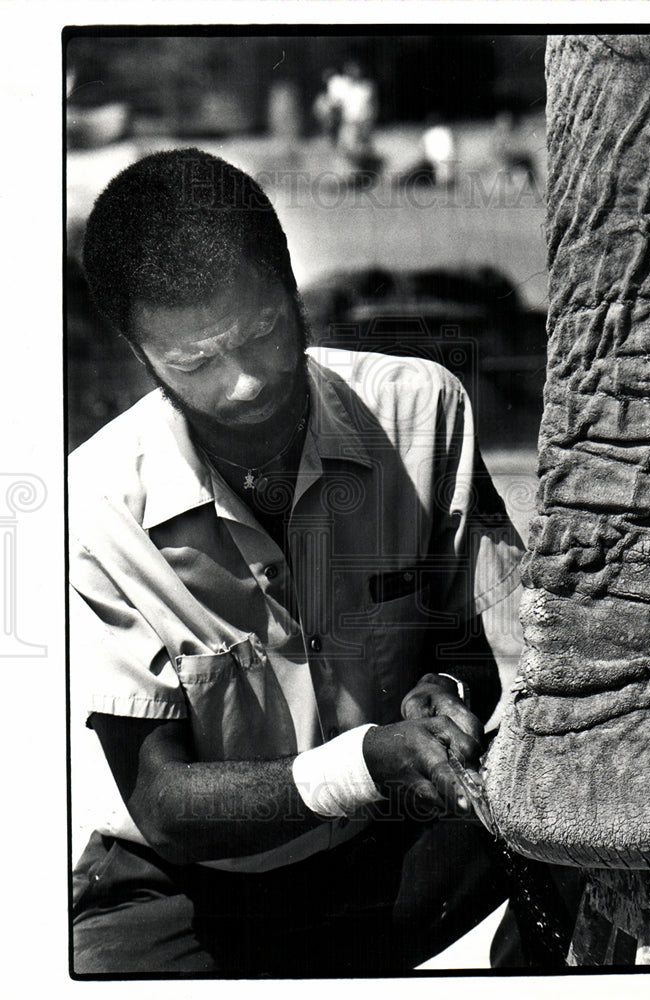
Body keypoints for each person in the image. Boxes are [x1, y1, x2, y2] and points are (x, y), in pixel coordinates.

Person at [69, 148, 528, 976]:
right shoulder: (95, 508)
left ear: (296, 293)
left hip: (389, 850)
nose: (245, 384)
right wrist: (366, 762)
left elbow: (476, 644)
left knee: (585, 827)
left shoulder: (422, 410)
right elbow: (164, 803)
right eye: (196, 363)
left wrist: (449, 691)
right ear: (141, 358)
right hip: (193, 892)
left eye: (263, 332)